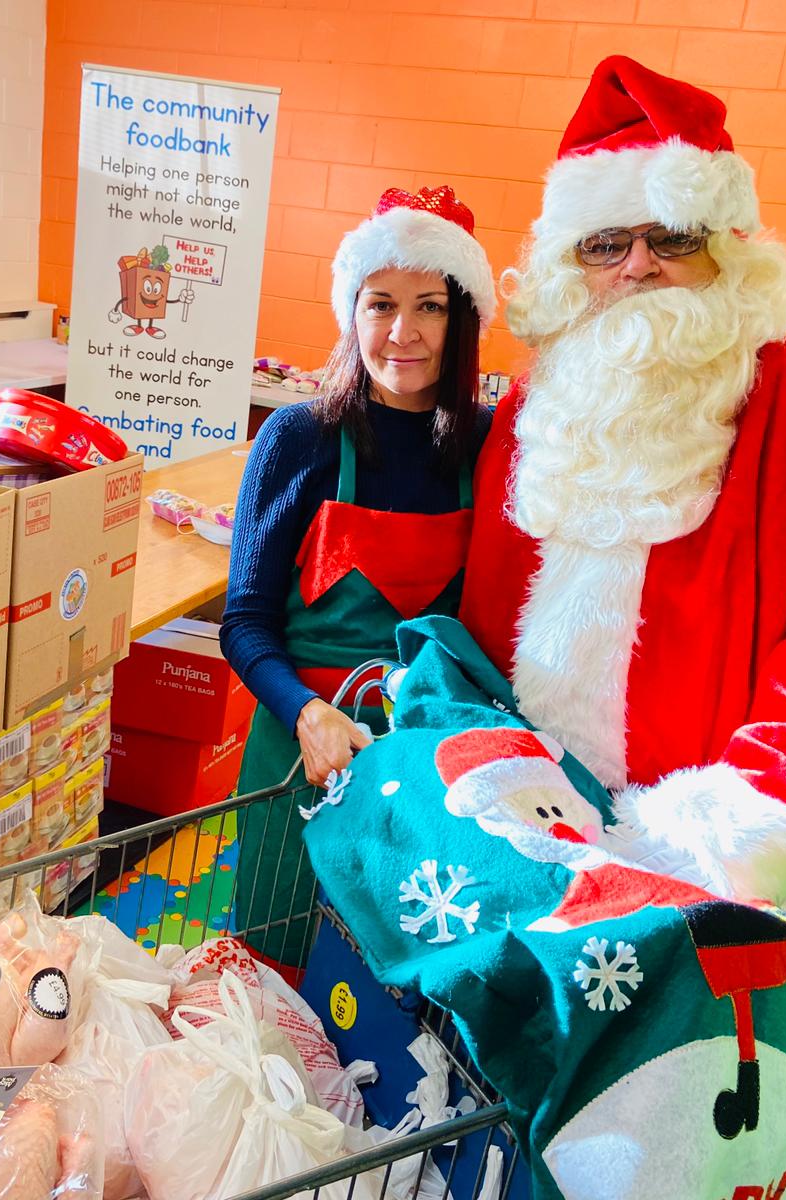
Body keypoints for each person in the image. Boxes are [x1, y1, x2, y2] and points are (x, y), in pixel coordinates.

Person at [459, 56, 786, 909]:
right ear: (571, 262)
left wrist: (737, 819)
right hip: (520, 822)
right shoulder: (536, 406)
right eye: (607, 243)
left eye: (673, 237)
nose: (638, 266)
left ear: (726, 250)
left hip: (701, 870)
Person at [221, 185, 496, 969]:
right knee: (281, 964)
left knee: (399, 980)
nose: (401, 332)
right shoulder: (299, 438)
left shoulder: (490, 445)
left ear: (463, 318)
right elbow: (243, 622)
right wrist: (307, 715)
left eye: (430, 307)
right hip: (299, 749)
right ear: (352, 312)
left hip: (425, 762)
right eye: (379, 304)